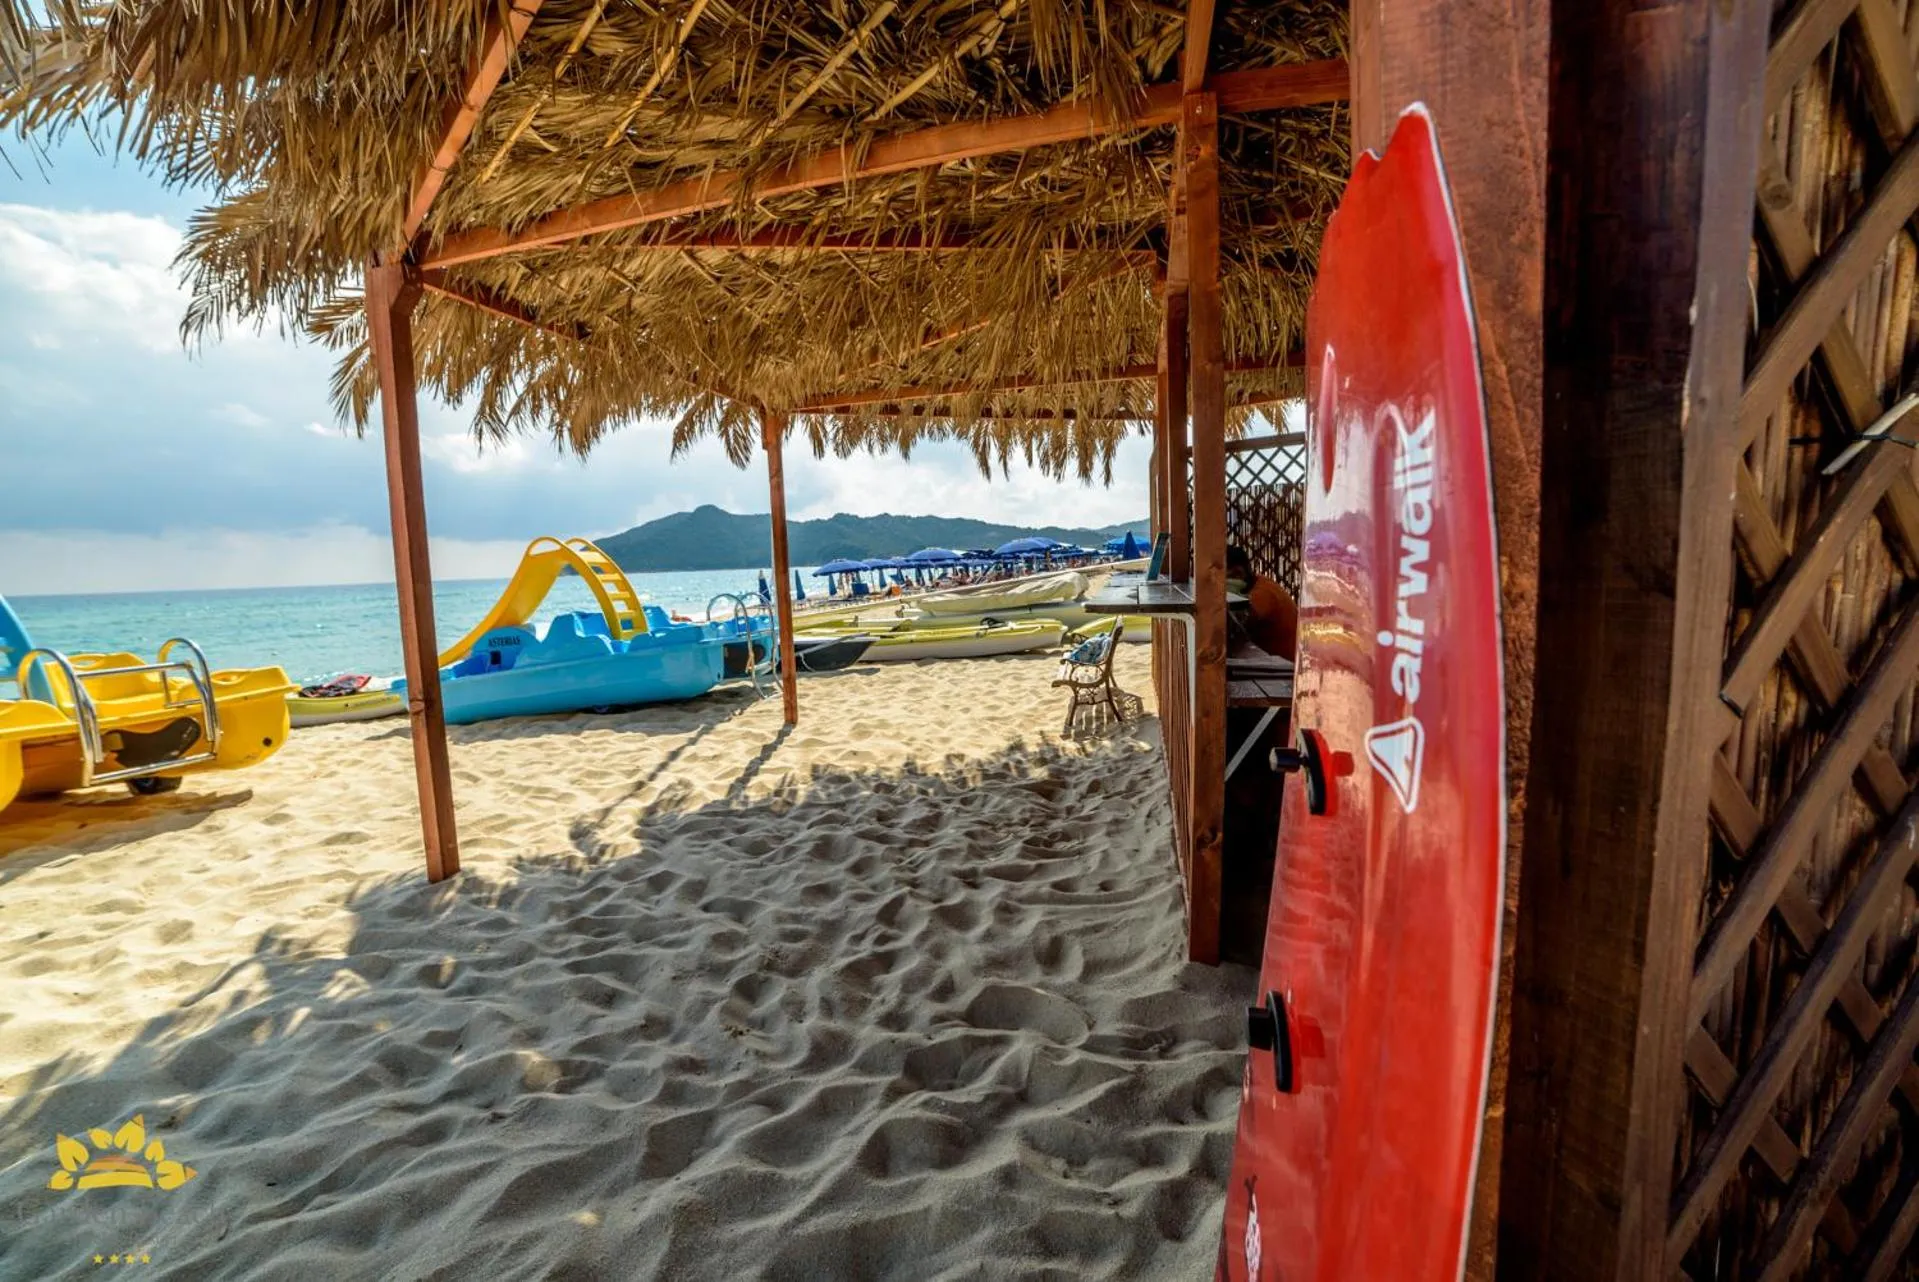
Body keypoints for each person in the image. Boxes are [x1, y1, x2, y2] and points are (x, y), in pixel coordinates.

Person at [1226, 544, 1298, 659]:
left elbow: (1239, 622)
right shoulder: (1256, 584)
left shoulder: (1264, 594)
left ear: (1237, 573)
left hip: (1286, 668)